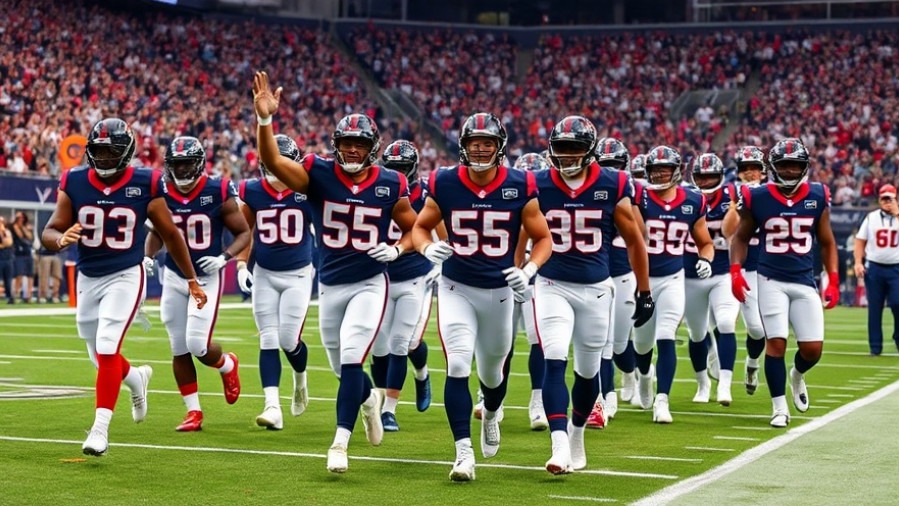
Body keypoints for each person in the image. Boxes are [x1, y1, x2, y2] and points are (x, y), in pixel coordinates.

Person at [253, 71, 419, 474]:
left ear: (372, 148)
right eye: (346, 142)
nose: (352, 149)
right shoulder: (318, 173)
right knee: (341, 368)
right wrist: (265, 120)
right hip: (329, 284)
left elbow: (417, 228)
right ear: (336, 145)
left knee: (351, 358)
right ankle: (368, 400)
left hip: (370, 282)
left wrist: (397, 248)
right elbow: (272, 161)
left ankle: (340, 442)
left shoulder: (390, 183)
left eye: (359, 143)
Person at [40, 117, 207, 456]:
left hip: (126, 274)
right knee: (98, 354)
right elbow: (50, 229)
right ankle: (136, 379)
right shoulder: (74, 180)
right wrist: (59, 239)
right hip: (88, 276)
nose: (103, 158)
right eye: (98, 152)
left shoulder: (146, 182)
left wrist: (191, 279)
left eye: (110, 151)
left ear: (126, 151)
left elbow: (170, 233)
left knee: (106, 345)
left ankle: (100, 429)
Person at [411, 111, 553, 481]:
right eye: (474, 143)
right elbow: (420, 228)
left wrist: (528, 270)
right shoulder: (444, 181)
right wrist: (427, 248)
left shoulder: (520, 184)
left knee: (492, 375)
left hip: (500, 291)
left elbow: (544, 238)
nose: (479, 149)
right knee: (458, 365)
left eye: (487, 143)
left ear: (499, 146)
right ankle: (463, 453)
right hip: (456, 287)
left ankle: (491, 413)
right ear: (463, 146)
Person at [531, 117, 653, 474]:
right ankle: (558, 445)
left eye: (575, 148)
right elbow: (522, 230)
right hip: (551, 283)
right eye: (562, 148)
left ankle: (576, 433)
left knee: (588, 372)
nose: (568, 155)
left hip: (597, 288)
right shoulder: (538, 183)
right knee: (554, 356)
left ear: (589, 151)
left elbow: (635, 241)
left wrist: (645, 291)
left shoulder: (612, 182)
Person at [730, 138, 840, 427]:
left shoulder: (817, 194)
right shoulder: (757, 196)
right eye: (784, 165)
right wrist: (736, 271)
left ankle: (797, 374)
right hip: (770, 279)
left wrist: (833, 279)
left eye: (795, 165)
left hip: (804, 280)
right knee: (775, 343)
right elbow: (740, 237)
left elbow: (828, 241)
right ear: (773, 167)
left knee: (812, 350)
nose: (790, 170)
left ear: (804, 167)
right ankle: (779, 407)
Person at [144, 136, 248, 432]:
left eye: (187, 163)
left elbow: (243, 232)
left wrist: (225, 257)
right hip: (174, 275)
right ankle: (193, 411)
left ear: (199, 163)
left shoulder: (217, 189)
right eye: (177, 164)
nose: (182, 169)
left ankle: (227, 364)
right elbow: (157, 232)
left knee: (197, 344)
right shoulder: (163, 190)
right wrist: (148, 256)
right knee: (178, 347)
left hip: (205, 276)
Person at [236, 134, 314, 430]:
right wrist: (242, 263)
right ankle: (272, 406)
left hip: (298, 273)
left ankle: (300, 378)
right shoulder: (253, 191)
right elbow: (245, 230)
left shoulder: (306, 190)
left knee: (288, 340)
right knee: (268, 337)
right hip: (265, 273)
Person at [633, 145, 715, 424]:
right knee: (642, 345)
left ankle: (662, 400)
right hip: (641, 279)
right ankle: (645, 375)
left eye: (664, 169)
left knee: (666, 335)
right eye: (654, 170)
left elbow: (705, 242)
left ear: (676, 171)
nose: (659, 175)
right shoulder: (639, 197)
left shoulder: (693, 201)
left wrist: (705, 259)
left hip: (672, 278)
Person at [370, 139, 442, 432]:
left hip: (415, 275)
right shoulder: (376, 187)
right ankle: (378, 403)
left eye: (402, 167)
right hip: (382, 276)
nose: (397, 172)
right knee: (379, 346)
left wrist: (440, 263)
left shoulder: (424, 193)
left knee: (403, 343)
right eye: (393, 167)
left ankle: (390, 409)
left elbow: (441, 231)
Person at [587, 137, 645, 429]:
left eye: (615, 164)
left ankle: (631, 374)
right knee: (601, 343)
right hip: (594, 274)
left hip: (622, 273)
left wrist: (626, 201)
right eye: (605, 164)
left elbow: (641, 234)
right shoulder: (588, 189)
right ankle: (605, 397)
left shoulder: (632, 190)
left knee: (620, 346)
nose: (611, 170)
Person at [683, 153, 741, 406]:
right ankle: (703, 383)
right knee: (697, 333)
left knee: (726, 322)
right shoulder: (685, 197)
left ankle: (725, 384)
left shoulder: (732, 195)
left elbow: (733, 233)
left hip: (722, 271)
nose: (705, 181)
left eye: (710, 176)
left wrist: (736, 209)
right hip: (692, 273)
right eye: (701, 176)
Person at [723, 146, 768, 394]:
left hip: (763, 267)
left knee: (759, 328)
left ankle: (752, 362)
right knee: (719, 323)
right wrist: (737, 204)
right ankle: (713, 364)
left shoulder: (771, 193)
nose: (750, 172)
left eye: (755, 168)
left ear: (763, 170)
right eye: (745, 168)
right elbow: (727, 231)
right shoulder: (729, 191)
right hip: (732, 266)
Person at [853, 184, 899, 355]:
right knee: (874, 308)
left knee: (897, 303)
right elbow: (860, 240)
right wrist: (858, 262)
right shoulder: (871, 218)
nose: (887, 202)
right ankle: (875, 347)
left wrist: (896, 213)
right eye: (884, 199)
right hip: (875, 268)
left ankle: (898, 337)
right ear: (879, 200)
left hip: (896, 268)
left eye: (890, 199)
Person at [11, 211, 34, 302]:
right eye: (19, 218)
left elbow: (30, 237)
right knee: (19, 274)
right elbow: (20, 235)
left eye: (22, 217)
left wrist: (24, 228)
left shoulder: (27, 227)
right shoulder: (14, 226)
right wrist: (21, 227)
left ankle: (29, 295)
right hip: (19, 254)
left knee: (30, 275)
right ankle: (16, 294)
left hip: (28, 253)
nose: (21, 219)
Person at [0, 216, 13, 303]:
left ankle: (9, 296)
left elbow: (9, 242)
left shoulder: (7, 232)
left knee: (8, 279)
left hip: (7, 258)